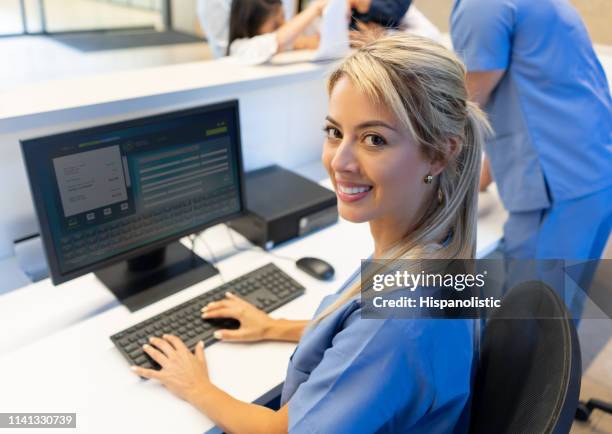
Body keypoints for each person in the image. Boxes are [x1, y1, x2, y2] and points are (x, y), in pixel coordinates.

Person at [131, 33, 491, 433]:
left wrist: (195, 386)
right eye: (335, 131)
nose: (340, 161)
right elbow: (361, 340)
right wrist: (273, 327)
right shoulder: (437, 250)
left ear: (440, 154)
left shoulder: (397, 317)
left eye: (374, 140)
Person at [451, 0, 612, 262]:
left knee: (530, 299)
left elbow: (462, 112)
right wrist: (478, 182)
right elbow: (522, 104)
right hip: (591, 173)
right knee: (561, 299)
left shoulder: (481, 5)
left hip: (557, 187)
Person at [227, 0, 325, 64]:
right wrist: (315, 9)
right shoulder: (239, 47)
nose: (284, 26)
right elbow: (278, 40)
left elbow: (315, 43)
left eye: (283, 17)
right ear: (250, 25)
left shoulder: (285, 42)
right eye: (276, 25)